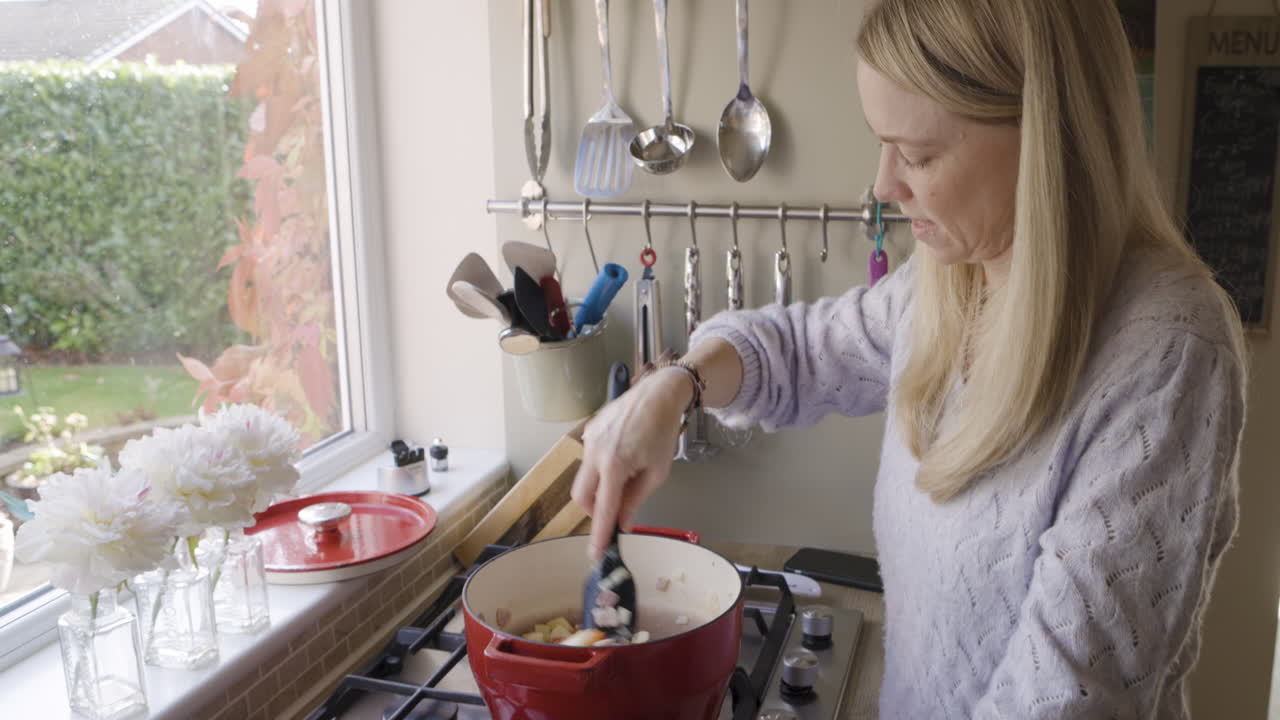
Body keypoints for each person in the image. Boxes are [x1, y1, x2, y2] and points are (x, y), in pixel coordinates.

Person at [571, 0, 1248, 717]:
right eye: (883, 144)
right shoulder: (947, 282)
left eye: (919, 154)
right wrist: (673, 388)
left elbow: (1065, 699)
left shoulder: (1168, 352)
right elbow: (798, 350)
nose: (883, 185)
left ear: (1048, 139)